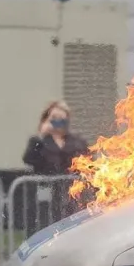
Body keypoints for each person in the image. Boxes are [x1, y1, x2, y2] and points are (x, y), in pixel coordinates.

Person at [21, 100, 91, 235]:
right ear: (46, 120)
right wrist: (41, 137)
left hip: (70, 192)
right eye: (54, 118)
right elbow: (28, 159)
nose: (58, 122)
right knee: (44, 225)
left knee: (71, 226)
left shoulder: (76, 141)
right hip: (46, 192)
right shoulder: (38, 141)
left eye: (61, 119)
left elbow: (87, 159)